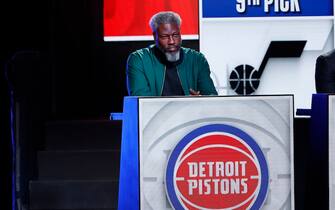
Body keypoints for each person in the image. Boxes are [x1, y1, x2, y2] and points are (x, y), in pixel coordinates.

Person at [126, 11, 218, 96]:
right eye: (165, 36)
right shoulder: (139, 60)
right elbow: (141, 102)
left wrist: (201, 100)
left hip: (192, 113)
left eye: (175, 35)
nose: (172, 41)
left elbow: (211, 96)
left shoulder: (197, 59)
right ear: (155, 37)